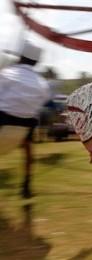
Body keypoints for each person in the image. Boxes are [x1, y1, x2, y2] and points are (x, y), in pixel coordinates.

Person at [0, 40, 51, 198]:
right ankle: (27, 185)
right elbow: (41, 103)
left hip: (2, 123)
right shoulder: (43, 84)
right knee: (29, 143)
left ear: (21, 57)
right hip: (23, 131)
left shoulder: (7, 74)